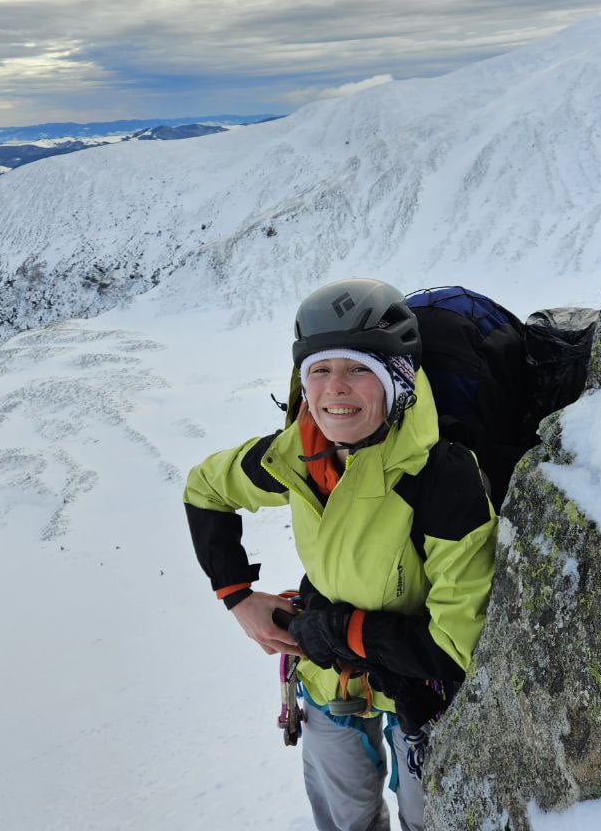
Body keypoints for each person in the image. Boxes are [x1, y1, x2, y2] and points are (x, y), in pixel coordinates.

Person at [183, 278, 498, 831]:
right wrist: (237, 595)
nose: (335, 389)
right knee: (344, 819)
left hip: (421, 690)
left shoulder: (442, 478)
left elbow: (455, 648)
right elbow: (206, 488)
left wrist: (336, 632)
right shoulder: (297, 455)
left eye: (358, 369)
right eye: (319, 370)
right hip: (330, 678)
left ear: (397, 379)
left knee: (431, 821)